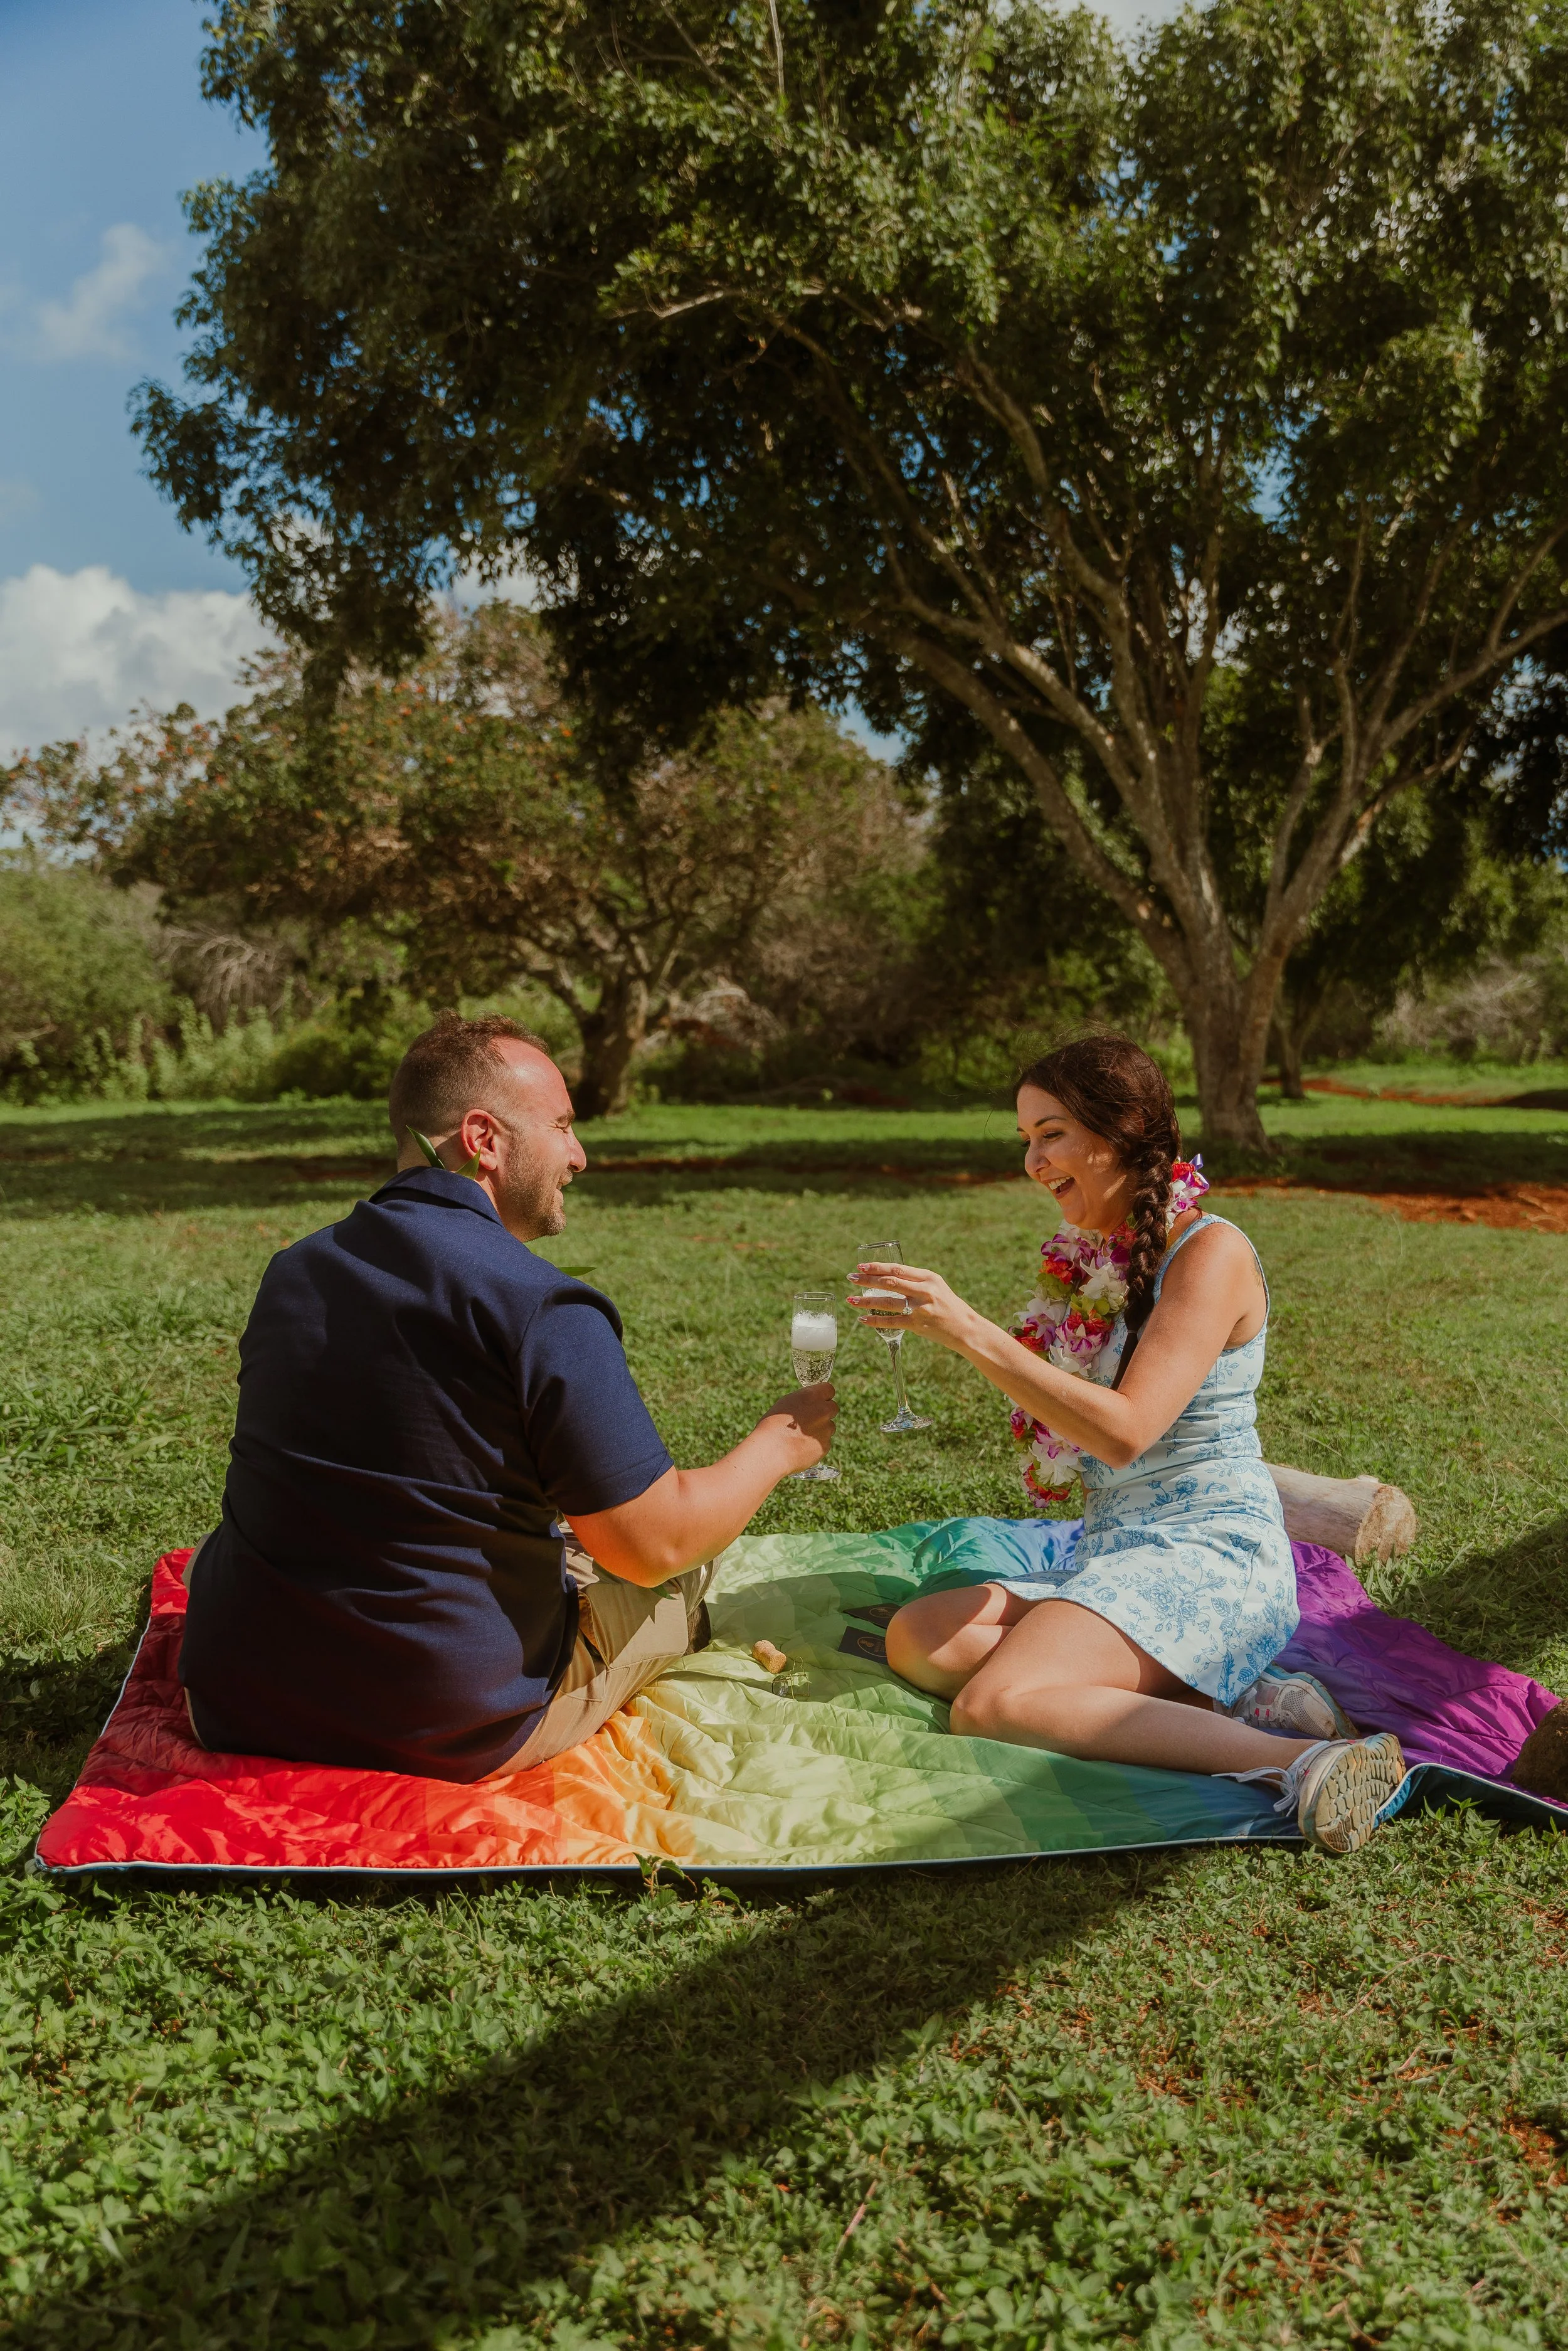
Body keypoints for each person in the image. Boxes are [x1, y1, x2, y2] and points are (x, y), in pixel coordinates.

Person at [179, 1013, 835, 1780]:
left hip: (237, 1698)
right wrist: (779, 1442)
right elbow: (655, 1544)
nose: (579, 1155)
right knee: (678, 1579)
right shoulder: (539, 1304)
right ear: (484, 1138)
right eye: (561, 1124)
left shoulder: (294, 1269)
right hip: (443, 1720)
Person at [861, 1034, 1410, 1856]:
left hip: (1210, 1554)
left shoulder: (1210, 1252)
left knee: (995, 1703)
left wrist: (967, 1331)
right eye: (1025, 1142)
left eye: (1051, 1134)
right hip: (1118, 1550)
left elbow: (1123, 1431)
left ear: (1120, 1132)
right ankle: (1224, 1702)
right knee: (920, 1637)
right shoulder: (1095, 1260)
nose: (1034, 1162)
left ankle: (1307, 1762)